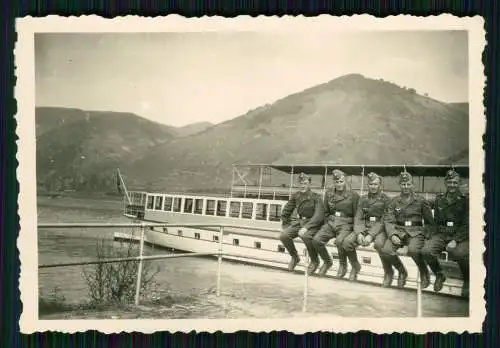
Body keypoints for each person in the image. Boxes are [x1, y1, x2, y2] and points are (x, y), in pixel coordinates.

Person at [382, 170, 435, 289]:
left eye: (408, 184)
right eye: (403, 184)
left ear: (412, 185)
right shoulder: (394, 202)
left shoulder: (421, 201)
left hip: (416, 232)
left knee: (413, 250)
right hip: (399, 231)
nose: (406, 187)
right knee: (386, 250)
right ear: (400, 185)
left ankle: (424, 272)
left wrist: (427, 237)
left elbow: (429, 222)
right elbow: (389, 220)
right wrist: (393, 235)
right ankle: (401, 271)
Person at [421, 169, 469, 296]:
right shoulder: (439, 199)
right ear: (445, 183)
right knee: (426, 251)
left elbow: (467, 224)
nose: (452, 185)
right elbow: (436, 221)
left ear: (459, 184)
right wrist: (430, 236)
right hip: (442, 233)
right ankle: (439, 274)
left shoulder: (465, 200)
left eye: (455, 182)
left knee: (460, 253)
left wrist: (456, 240)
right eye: (450, 182)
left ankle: (468, 280)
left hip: (460, 234)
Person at [312, 169, 360, 279]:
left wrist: (355, 230)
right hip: (331, 222)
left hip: (346, 224)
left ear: (345, 181)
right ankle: (327, 261)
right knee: (316, 240)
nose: (339, 184)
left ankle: (345, 265)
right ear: (333, 182)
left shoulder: (353, 195)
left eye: (341, 182)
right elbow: (325, 211)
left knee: (339, 242)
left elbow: (357, 215)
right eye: (336, 182)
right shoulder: (329, 193)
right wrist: (326, 224)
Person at [353, 172, 394, 287]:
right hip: (365, 227)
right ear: (368, 185)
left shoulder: (386, 200)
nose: (373, 186)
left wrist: (370, 234)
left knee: (379, 244)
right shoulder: (363, 199)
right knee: (348, 242)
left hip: (380, 229)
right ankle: (354, 267)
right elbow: (358, 217)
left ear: (380, 185)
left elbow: (384, 220)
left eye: (376, 184)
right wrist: (360, 233)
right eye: (371, 184)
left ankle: (388, 272)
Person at [280, 172, 325, 274]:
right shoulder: (296, 196)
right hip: (299, 222)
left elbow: (319, 215)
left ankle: (314, 261)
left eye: (305, 183)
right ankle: (295, 257)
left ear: (309, 184)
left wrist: (307, 227)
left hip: (312, 224)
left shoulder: (316, 197)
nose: (302, 186)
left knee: (305, 236)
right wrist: (285, 224)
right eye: (301, 183)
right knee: (284, 236)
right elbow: (286, 210)